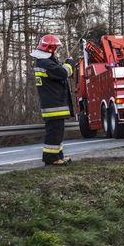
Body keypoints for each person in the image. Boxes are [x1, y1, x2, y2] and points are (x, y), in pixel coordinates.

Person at [31, 34, 75, 166]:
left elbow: (57, 70)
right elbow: (63, 73)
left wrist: (63, 64)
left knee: (57, 132)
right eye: (54, 48)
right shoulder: (45, 63)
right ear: (50, 48)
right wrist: (69, 64)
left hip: (53, 105)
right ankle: (51, 158)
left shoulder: (45, 62)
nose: (56, 50)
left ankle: (58, 155)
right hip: (54, 105)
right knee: (54, 133)